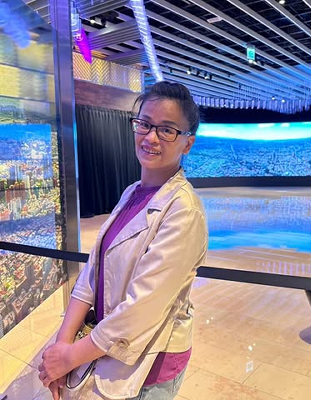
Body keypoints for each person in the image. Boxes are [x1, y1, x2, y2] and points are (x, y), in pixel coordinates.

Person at [38, 81, 209, 400]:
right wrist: (63, 344)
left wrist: (70, 357)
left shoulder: (184, 211)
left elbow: (143, 308)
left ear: (187, 143)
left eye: (167, 130)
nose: (151, 137)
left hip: (150, 367)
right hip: (103, 350)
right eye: (145, 124)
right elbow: (93, 273)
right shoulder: (132, 192)